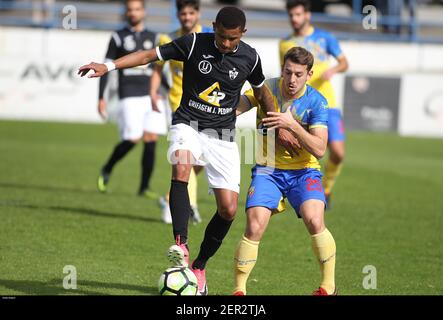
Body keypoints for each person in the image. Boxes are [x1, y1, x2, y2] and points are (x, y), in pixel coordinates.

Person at [79, 6, 299, 296]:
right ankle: (180, 245)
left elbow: (262, 95)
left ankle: (199, 266)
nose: (226, 43)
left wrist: (280, 127)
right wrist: (109, 66)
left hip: (222, 135)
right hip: (188, 124)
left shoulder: (251, 57)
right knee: (182, 167)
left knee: (229, 209)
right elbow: (149, 56)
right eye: (221, 36)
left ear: (242, 34)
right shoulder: (194, 42)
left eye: (232, 39)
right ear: (213, 27)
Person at [233, 47, 337, 296]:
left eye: (299, 74)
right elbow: (240, 105)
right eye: (288, 72)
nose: (292, 80)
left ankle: (328, 287)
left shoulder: (317, 102)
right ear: (282, 69)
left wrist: (292, 125)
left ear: (310, 74)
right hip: (267, 171)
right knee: (255, 225)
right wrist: (220, 112)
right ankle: (239, 291)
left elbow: (321, 149)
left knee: (315, 219)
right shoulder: (266, 88)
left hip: (304, 172)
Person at [280, 0, 349, 207]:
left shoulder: (325, 37)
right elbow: (284, 75)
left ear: (307, 15)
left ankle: (326, 189)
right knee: (297, 151)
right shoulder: (284, 43)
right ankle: (288, 192)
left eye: (298, 14)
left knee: (338, 152)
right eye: (291, 15)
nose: (295, 19)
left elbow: (344, 62)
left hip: (328, 105)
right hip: (298, 105)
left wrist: (333, 70)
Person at [96, 0, 167, 198]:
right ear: (126, 12)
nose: (133, 13)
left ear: (143, 12)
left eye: (137, 9)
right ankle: (108, 166)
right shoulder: (118, 37)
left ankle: (144, 187)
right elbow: (106, 67)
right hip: (129, 94)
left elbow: (159, 69)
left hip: (152, 94)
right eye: (130, 9)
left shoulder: (154, 37)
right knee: (132, 138)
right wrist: (101, 97)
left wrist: (168, 90)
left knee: (151, 137)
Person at [150, 0, 212, 225]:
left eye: (190, 13)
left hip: (206, 106)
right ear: (177, 14)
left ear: (198, 13)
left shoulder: (210, 37)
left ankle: (170, 198)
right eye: (182, 13)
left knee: (201, 162)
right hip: (178, 105)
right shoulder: (167, 39)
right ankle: (190, 207)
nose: (186, 17)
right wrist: (152, 93)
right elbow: (158, 68)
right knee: (186, 156)